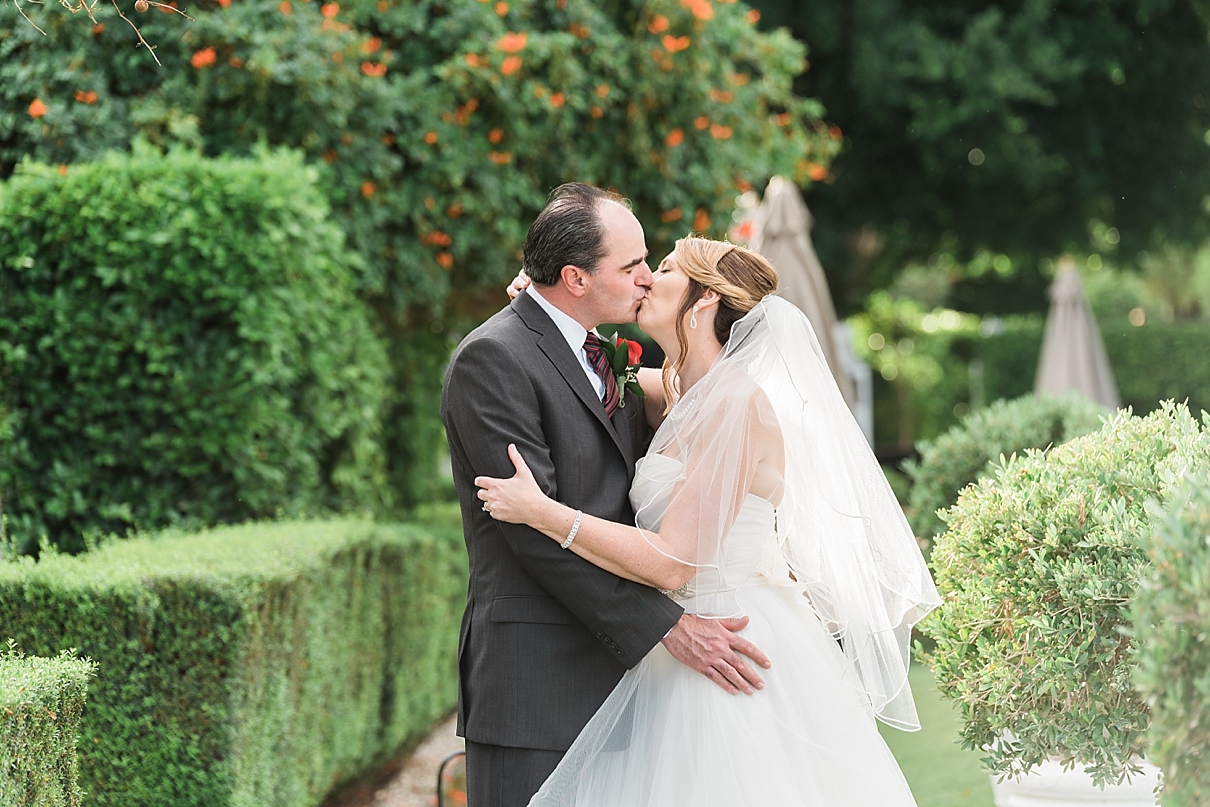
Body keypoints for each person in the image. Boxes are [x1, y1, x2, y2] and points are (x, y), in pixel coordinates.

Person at [475, 236, 942, 805]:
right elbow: (579, 372)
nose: (646, 278)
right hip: (668, 647)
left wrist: (545, 514)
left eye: (664, 268)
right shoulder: (679, 392)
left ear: (701, 304)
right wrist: (546, 309)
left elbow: (674, 561)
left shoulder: (737, 403)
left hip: (728, 640)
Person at [439, 184, 772, 807]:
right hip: (536, 689)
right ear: (575, 277)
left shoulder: (620, 363)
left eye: (652, 263)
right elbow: (530, 538)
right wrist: (668, 627)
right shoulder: (495, 359)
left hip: (635, 684)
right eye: (631, 266)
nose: (646, 279)